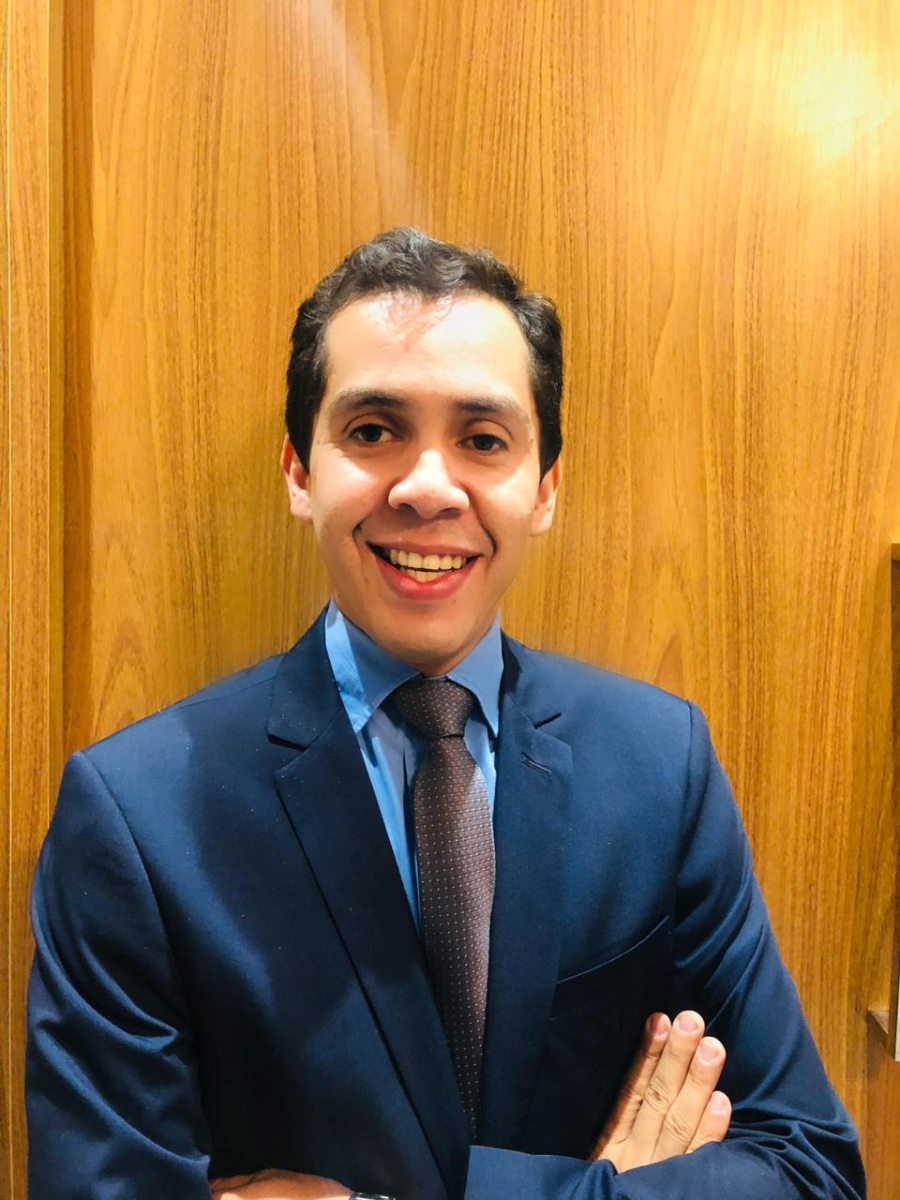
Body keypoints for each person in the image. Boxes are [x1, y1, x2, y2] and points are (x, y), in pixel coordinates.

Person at [25, 227, 865, 1200]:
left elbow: (811, 1168)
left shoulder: (658, 766)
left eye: (483, 439)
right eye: (373, 430)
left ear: (544, 488)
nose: (428, 487)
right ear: (298, 471)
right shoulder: (135, 816)